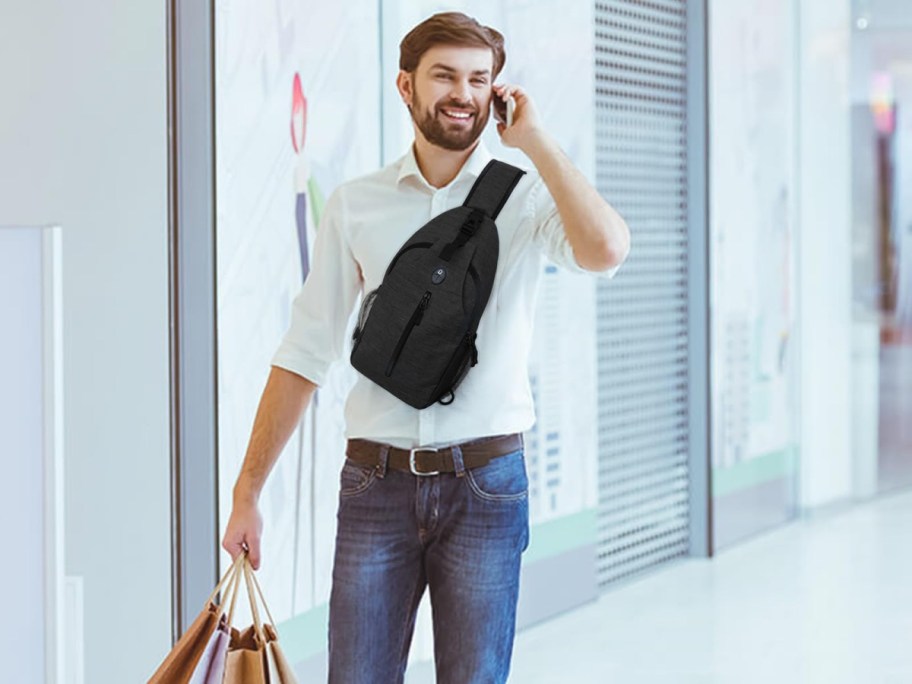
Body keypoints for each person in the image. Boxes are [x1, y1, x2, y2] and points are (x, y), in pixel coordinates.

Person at [221, 10, 630, 684]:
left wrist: (536, 142)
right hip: (375, 483)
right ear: (406, 86)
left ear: (496, 93)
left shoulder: (524, 199)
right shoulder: (357, 204)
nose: (462, 94)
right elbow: (304, 351)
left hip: (487, 483)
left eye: (478, 79)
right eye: (444, 76)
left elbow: (607, 250)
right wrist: (247, 491)